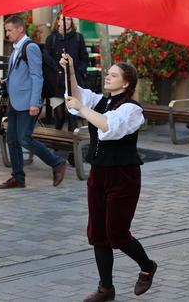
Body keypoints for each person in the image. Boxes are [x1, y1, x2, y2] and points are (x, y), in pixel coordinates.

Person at [61, 54, 156, 301]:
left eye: (113, 75)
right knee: (98, 233)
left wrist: (81, 108)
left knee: (118, 233)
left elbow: (108, 126)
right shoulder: (100, 100)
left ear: (126, 84)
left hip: (123, 176)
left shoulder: (132, 110)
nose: (107, 77)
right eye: (108, 73)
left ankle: (147, 266)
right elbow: (78, 95)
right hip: (99, 174)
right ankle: (106, 288)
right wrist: (70, 69)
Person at [0, 15, 67, 189]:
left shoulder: (30, 47)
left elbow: (37, 76)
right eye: (6, 30)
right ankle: (18, 177)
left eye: (9, 30)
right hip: (15, 102)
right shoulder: (16, 49)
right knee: (12, 140)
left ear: (20, 29)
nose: (7, 33)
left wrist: (35, 102)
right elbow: (20, 75)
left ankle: (57, 163)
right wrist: (4, 82)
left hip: (28, 103)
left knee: (25, 139)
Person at [45, 13, 89, 131]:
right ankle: (57, 144)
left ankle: (73, 147)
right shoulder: (51, 39)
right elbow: (46, 59)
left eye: (69, 19)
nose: (66, 21)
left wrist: (79, 71)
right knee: (59, 116)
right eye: (63, 19)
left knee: (73, 116)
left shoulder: (78, 38)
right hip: (57, 84)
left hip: (74, 82)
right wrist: (56, 68)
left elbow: (85, 58)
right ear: (58, 22)